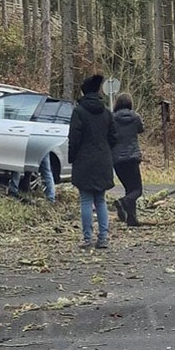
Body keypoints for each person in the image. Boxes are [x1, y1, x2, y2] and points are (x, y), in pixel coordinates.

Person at [68, 74, 115, 249]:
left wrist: (72, 157)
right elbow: (113, 137)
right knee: (101, 200)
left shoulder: (79, 112)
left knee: (86, 200)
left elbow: (74, 138)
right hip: (103, 159)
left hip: (84, 160)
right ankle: (103, 237)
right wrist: (106, 151)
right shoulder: (107, 113)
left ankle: (87, 238)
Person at [110, 92, 145, 226]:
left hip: (117, 159)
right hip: (132, 157)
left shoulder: (112, 118)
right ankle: (124, 202)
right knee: (137, 190)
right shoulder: (135, 117)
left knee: (128, 188)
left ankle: (131, 218)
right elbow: (141, 129)